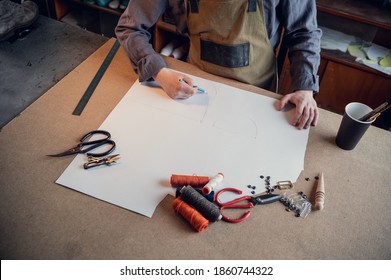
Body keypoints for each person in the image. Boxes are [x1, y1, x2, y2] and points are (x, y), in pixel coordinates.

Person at [115, 0, 322, 130]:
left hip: (256, 96)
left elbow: (304, 32)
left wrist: (304, 88)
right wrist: (160, 73)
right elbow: (130, 28)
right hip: (194, 92)